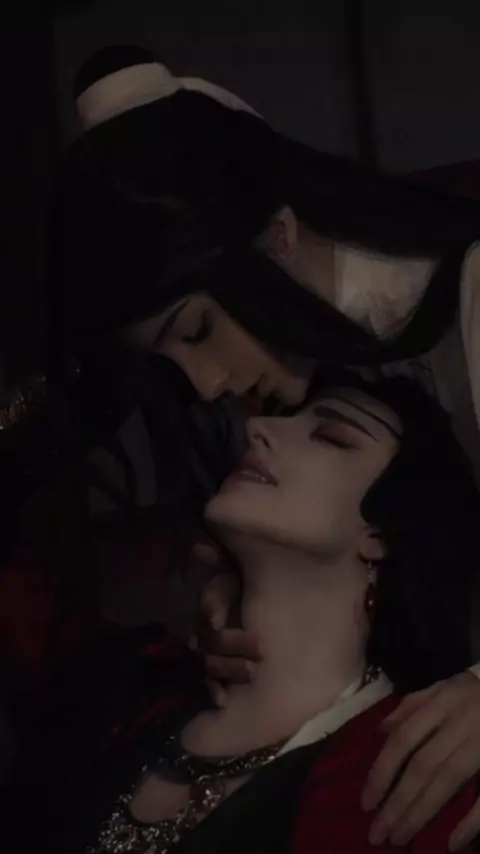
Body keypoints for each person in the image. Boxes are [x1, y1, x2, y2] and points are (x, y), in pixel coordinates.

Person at [41, 43, 480, 847]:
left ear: (276, 237)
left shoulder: (469, 296)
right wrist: (247, 598)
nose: (208, 386)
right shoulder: (300, 375)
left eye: (197, 332)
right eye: (170, 362)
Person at [12, 372, 480, 853]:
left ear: (380, 535)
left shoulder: (407, 779)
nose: (257, 428)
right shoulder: (132, 683)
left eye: (331, 436)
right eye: (280, 417)